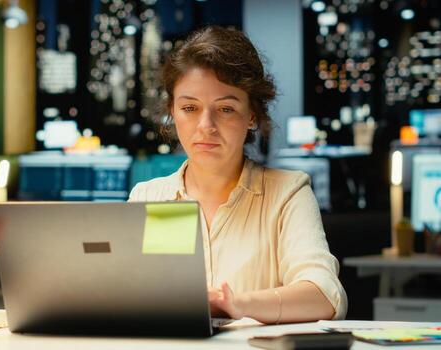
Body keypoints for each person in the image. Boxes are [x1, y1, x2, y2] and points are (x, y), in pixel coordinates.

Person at [129, 26, 347, 323]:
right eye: (190, 107)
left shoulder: (287, 193)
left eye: (226, 109)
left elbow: (324, 296)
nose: (206, 125)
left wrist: (235, 304)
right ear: (172, 111)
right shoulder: (148, 198)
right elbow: (129, 298)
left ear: (252, 115)